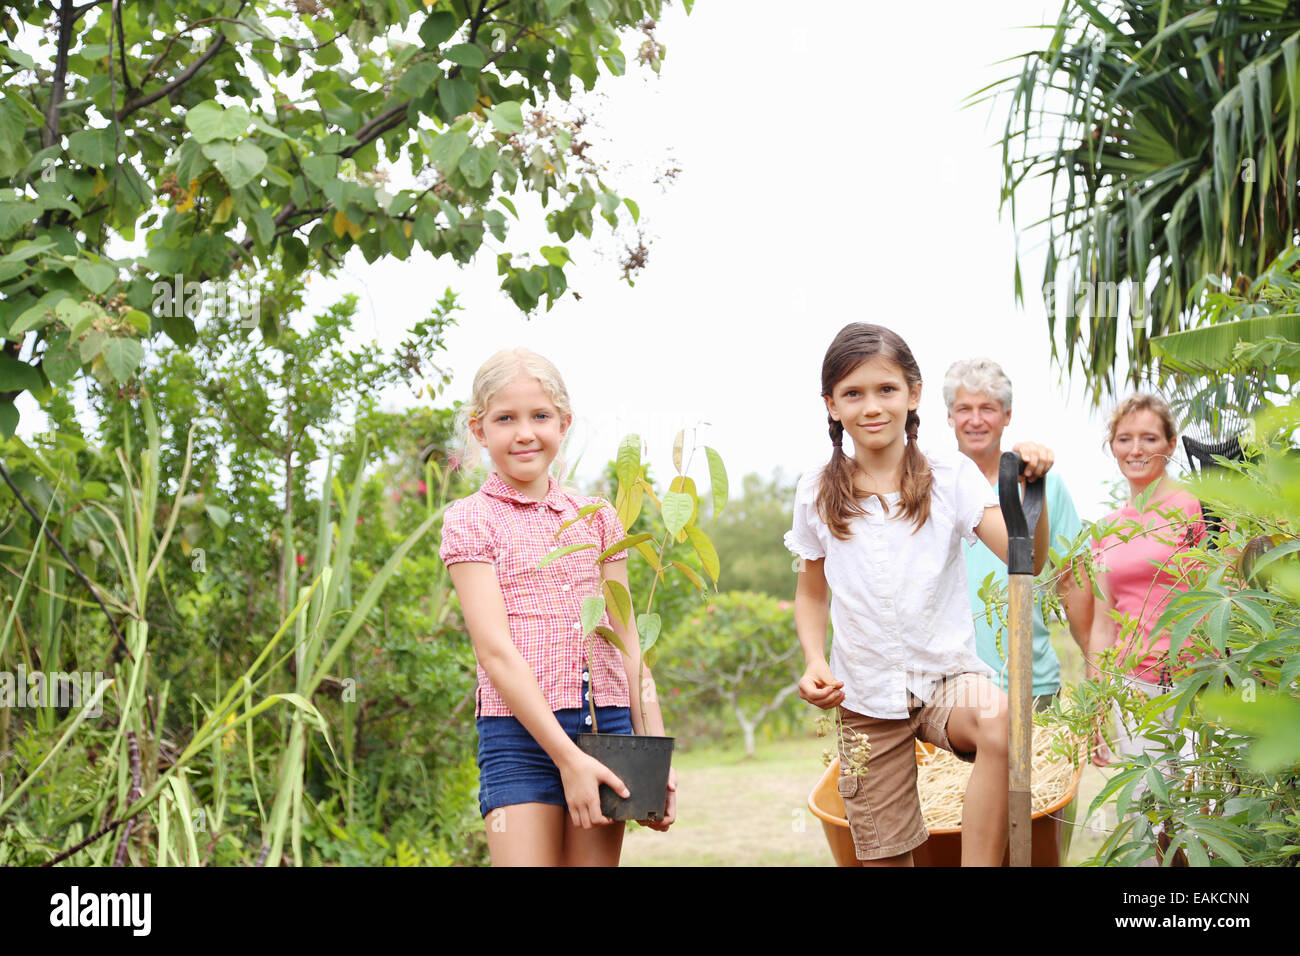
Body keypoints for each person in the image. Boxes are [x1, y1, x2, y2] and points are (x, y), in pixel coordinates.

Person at [786, 323, 1055, 867]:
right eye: (852, 393)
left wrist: (1033, 489)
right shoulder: (816, 490)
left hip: (947, 678)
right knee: (887, 857)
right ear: (831, 406)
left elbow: (1025, 557)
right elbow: (812, 595)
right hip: (862, 695)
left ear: (913, 393)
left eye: (886, 389)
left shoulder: (950, 477)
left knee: (999, 718)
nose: (872, 406)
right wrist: (815, 659)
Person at [438, 347, 675, 866]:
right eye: (506, 419)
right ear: (479, 431)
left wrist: (656, 747)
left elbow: (626, 635)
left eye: (540, 416)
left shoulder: (595, 517)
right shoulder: (470, 520)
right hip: (519, 735)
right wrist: (567, 760)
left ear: (563, 423)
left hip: (605, 726)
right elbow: (495, 652)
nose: (524, 433)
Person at [943, 358, 1093, 710]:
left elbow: (1072, 582)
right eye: (964, 408)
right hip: (949, 687)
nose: (976, 420)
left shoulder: (1046, 486)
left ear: (1007, 415)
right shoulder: (932, 486)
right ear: (949, 415)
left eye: (988, 409)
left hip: (1031, 683)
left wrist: (1093, 667)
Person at [1088, 393, 1206, 770]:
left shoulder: (1199, 509)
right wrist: (1096, 701)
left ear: (1171, 444)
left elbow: (1227, 591)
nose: (1135, 449)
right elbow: (1103, 624)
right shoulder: (1107, 529)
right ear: (1112, 447)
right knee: (1147, 812)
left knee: (1201, 810)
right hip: (1134, 688)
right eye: (1124, 439)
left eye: (1149, 438)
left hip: (1196, 682)